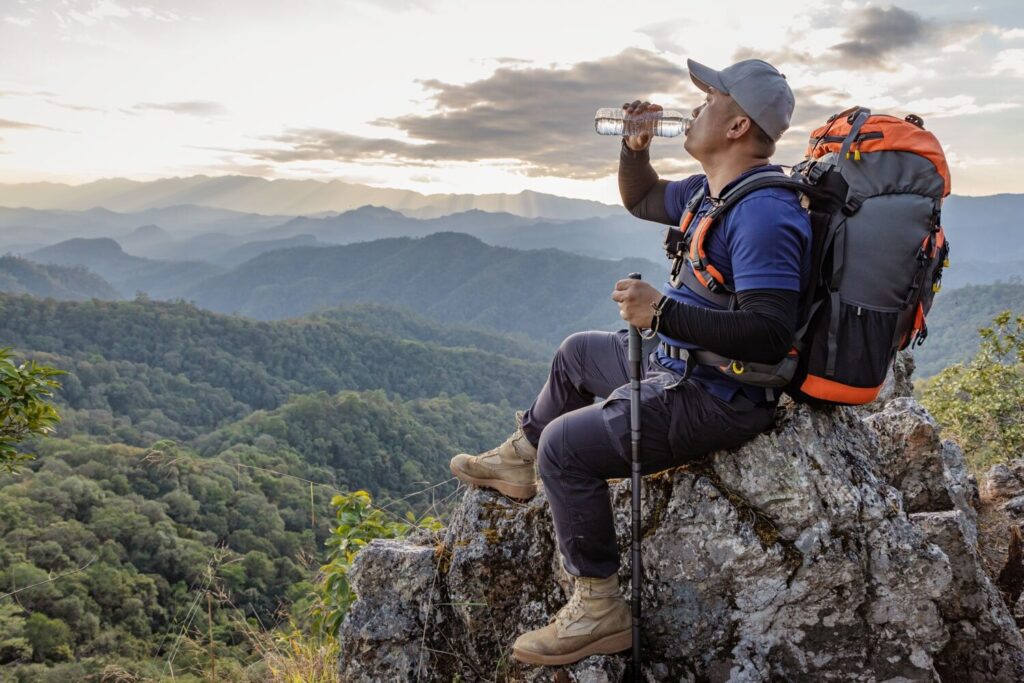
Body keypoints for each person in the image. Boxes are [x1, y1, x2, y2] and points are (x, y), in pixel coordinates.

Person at [449, 57, 810, 667]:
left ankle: (599, 607)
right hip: (678, 361)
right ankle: (519, 459)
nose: (694, 107)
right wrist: (634, 148)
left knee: (568, 447)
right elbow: (641, 198)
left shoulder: (763, 214)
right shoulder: (710, 193)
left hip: (718, 394)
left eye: (710, 99)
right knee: (577, 353)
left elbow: (770, 333)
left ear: (737, 126)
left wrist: (662, 313)